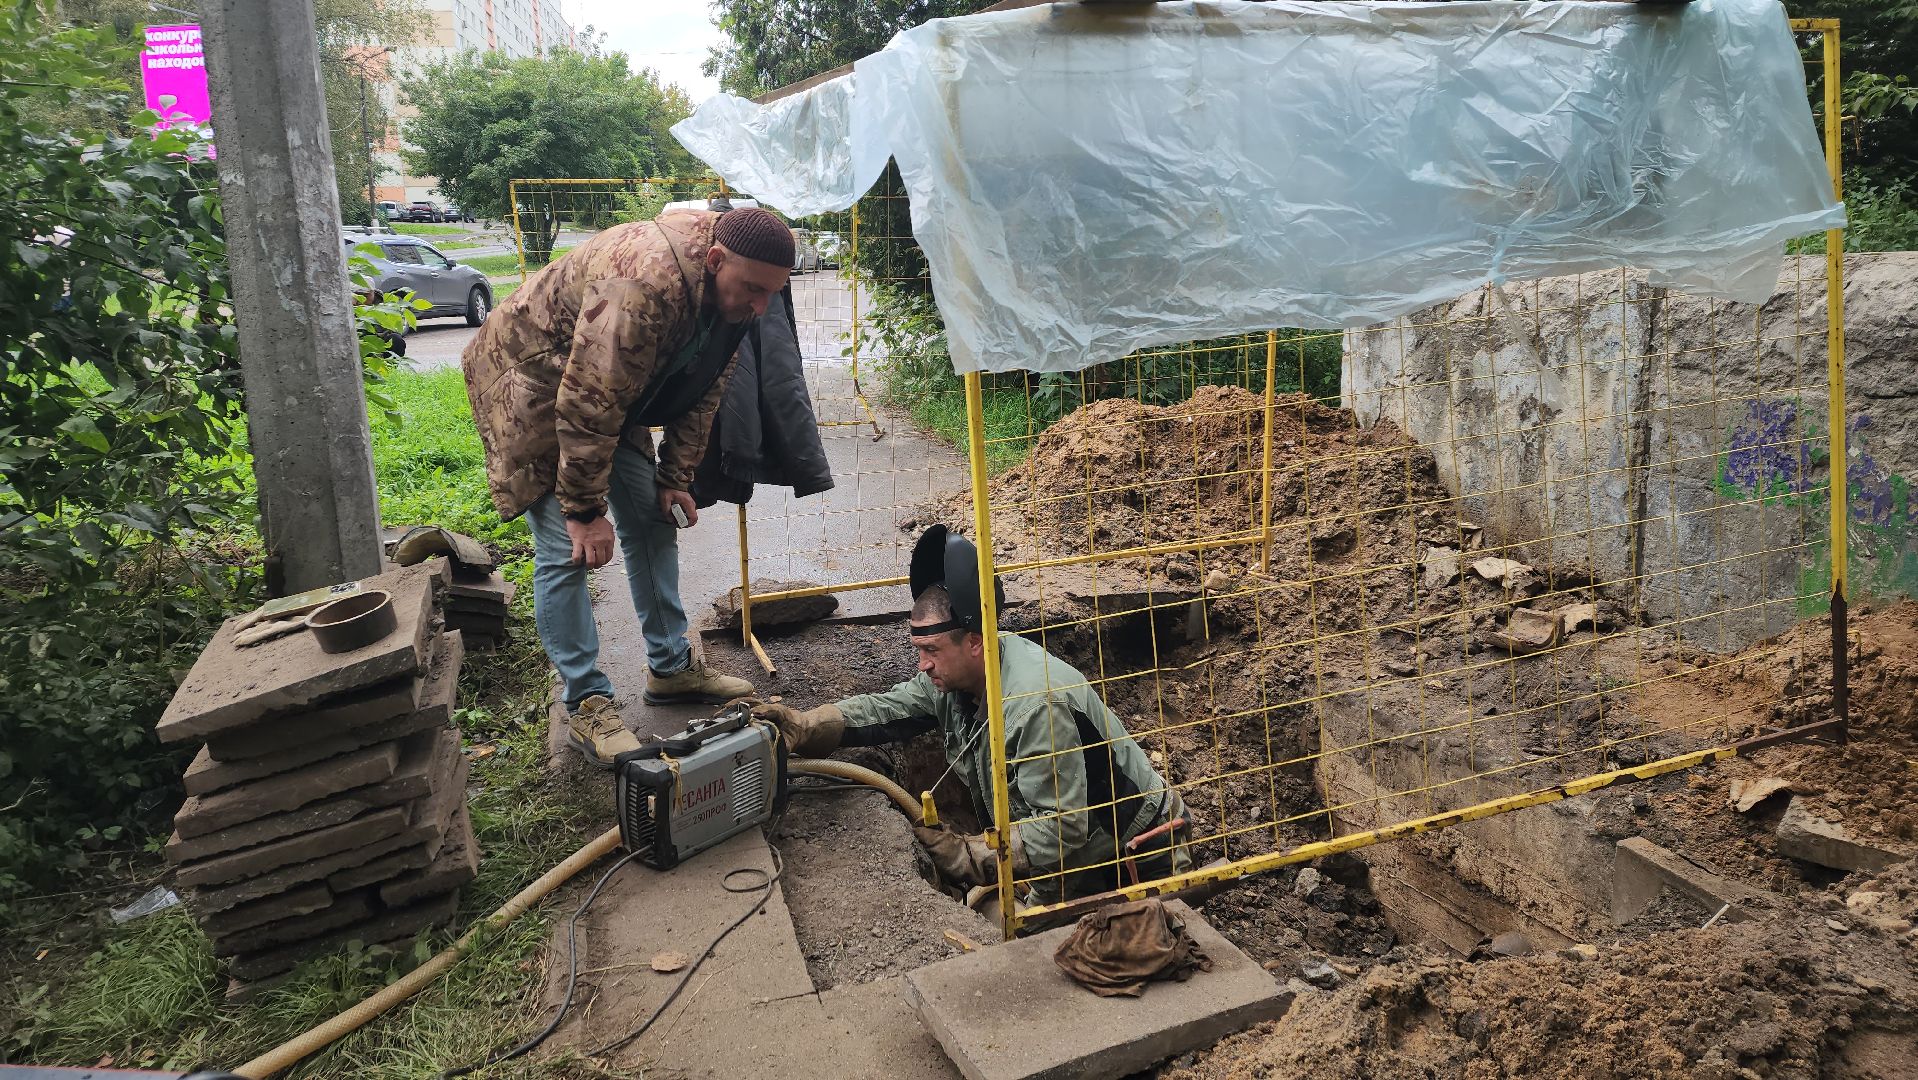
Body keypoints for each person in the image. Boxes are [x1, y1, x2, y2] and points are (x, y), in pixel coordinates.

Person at [463, 206, 796, 767]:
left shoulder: (732, 291)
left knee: (651, 517)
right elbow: (588, 399)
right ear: (715, 261)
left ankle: (670, 668)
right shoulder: (642, 283)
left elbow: (705, 386)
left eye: (773, 294)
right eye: (754, 290)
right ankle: (586, 703)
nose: (762, 307)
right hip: (534, 383)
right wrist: (584, 509)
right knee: (566, 549)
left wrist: (674, 478)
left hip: (610, 387)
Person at [753, 526, 1192, 907]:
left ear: (976, 641)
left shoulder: (1036, 708)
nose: (922, 665)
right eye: (918, 651)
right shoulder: (960, 677)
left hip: (1136, 857)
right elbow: (889, 708)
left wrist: (971, 859)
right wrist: (807, 724)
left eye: (931, 651)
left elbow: (1061, 832)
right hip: (1079, 846)